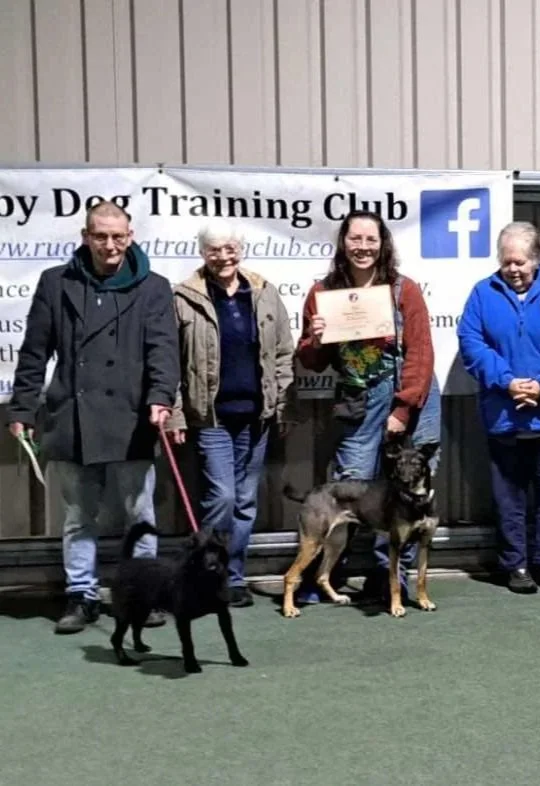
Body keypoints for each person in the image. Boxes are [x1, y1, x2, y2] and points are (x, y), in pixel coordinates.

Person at [7, 201, 179, 633]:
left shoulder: (154, 287)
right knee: (78, 516)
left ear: (131, 236)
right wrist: (23, 408)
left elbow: (163, 351)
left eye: (117, 236)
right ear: (85, 237)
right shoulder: (56, 283)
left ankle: (143, 595)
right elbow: (34, 351)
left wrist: (161, 397)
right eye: (100, 236)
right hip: (72, 418)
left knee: (140, 516)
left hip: (133, 419)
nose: (109, 245)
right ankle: (81, 595)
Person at [295, 209, 441, 605]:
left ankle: (391, 576)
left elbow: (421, 352)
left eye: (370, 240)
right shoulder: (322, 292)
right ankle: (326, 573)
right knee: (352, 484)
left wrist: (404, 408)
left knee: (409, 492)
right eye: (354, 239)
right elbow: (310, 361)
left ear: (383, 244)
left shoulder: (403, 290)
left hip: (409, 394)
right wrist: (316, 338)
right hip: (358, 399)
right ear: (343, 243)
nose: (362, 247)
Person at [457, 221, 540, 594]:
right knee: (509, 498)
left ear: (537, 259)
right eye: (506, 262)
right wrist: (507, 381)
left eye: (520, 262)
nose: (513, 270)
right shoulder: (483, 294)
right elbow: (472, 343)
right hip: (505, 416)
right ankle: (514, 565)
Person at [167, 220, 296, 608]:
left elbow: (283, 355)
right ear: (203, 254)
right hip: (211, 418)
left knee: (244, 501)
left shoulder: (264, 293)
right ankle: (208, 575)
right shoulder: (184, 297)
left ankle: (234, 577)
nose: (223, 256)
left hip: (256, 417)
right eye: (214, 250)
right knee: (221, 497)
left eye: (230, 249)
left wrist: (283, 405)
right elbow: (169, 361)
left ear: (240, 250)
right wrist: (175, 414)